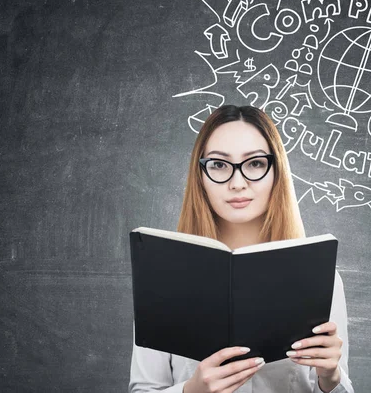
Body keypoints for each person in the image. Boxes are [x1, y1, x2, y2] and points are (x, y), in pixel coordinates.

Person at [129, 105, 355, 393]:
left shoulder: (320, 278)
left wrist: (331, 377)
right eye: (219, 165)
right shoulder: (161, 275)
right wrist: (192, 391)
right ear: (201, 176)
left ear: (276, 172)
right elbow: (142, 388)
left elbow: (336, 383)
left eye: (255, 164)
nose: (237, 183)